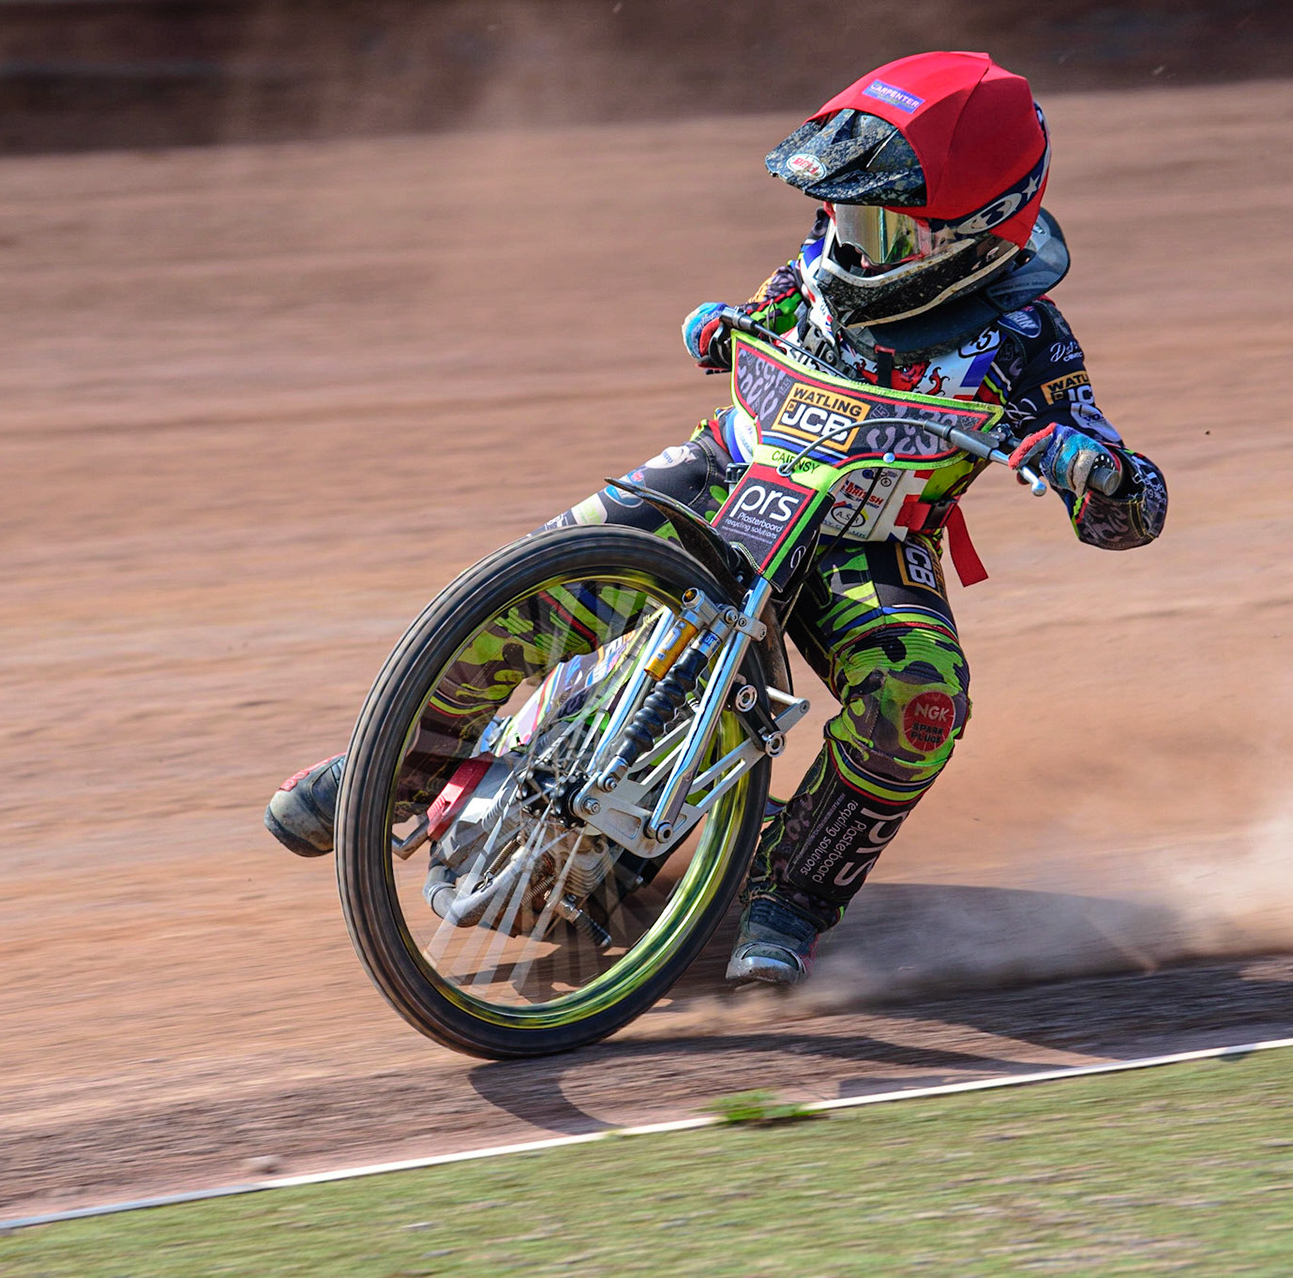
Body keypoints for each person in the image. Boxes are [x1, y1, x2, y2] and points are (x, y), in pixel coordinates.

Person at [265, 51, 1168, 987]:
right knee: (542, 575)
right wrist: (725, 323)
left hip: (863, 542)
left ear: (974, 237)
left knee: (919, 698)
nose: (848, 245)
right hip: (727, 471)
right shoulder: (831, 259)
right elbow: (773, 305)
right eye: (841, 215)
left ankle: (792, 900)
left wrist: (1092, 473)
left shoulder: (1029, 342)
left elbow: (1136, 510)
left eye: (879, 227)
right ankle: (391, 768)